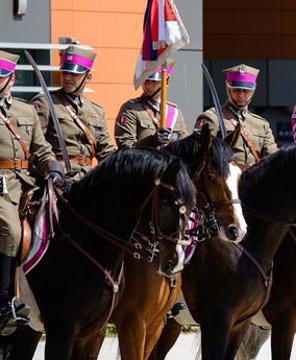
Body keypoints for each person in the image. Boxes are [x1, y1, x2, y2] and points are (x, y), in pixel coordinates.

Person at [0, 51, 65, 333]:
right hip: (2, 186)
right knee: (12, 232)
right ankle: (5, 302)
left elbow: (41, 149)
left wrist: (54, 168)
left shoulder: (25, 111)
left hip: (28, 183)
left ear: (11, 79)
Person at [31, 45, 117, 181]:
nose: (67, 78)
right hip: (57, 176)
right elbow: (35, 143)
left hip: (89, 177)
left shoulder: (96, 110)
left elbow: (105, 151)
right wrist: (51, 167)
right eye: (65, 73)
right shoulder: (45, 102)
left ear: (88, 77)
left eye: (74, 74)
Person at [194, 64, 277, 169]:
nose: (241, 95)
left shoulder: (261, 124)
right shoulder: (212, 117)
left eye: (246, 90)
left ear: (253, 90)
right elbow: (198, 153)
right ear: (228, 88)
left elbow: (273, 159)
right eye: (237, 89)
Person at [114, 59, 188, 149]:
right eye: (146, 81)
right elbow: (125, 146)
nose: (148, 86)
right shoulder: (131, 108)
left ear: (166, 82)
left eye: (154, 82)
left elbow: (185, 145)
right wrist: (151, 141)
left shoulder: (175, 112)